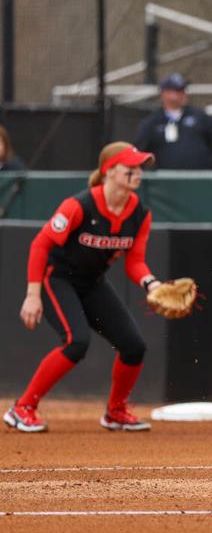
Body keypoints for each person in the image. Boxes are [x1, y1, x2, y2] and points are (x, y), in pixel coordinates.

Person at [4, 142, 164, 433]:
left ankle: (115, 412)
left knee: (133, 346)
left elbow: (135, 262)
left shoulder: (140, 214)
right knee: (76, 342)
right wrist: (32, 295)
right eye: (131, 167)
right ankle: (22, 408)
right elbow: (41, 244)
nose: (138, 172)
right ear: (110, 171)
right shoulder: (79, 206)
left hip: (92, 283)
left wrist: (151, 284)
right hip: (58, 278)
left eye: (140, 166)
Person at [132, 73, 212, 169]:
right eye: (178, 90)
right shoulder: (152, 122)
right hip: (165, 181)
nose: (183, 94)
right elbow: (139, 152)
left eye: (183, 90)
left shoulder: (201, 117)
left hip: (200, 180)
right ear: (164, 93)